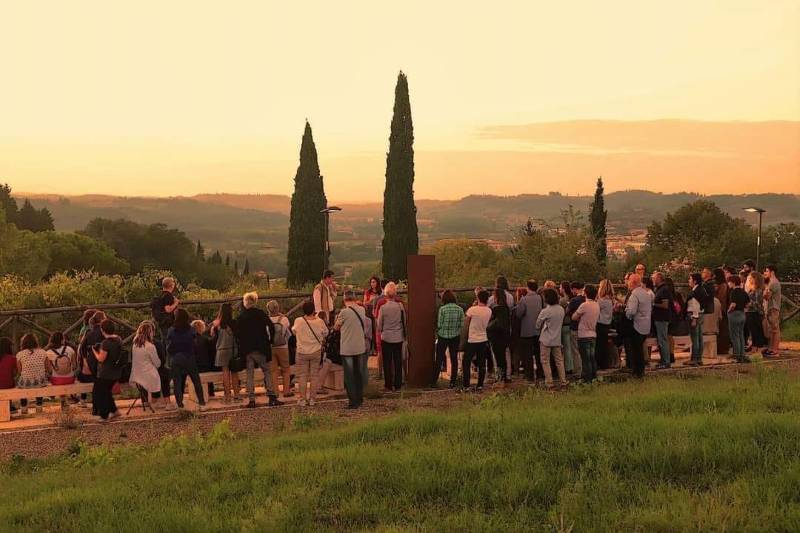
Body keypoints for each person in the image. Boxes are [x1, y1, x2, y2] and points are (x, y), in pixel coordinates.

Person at [237, 292, 281, 408]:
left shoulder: (241, 317)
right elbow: (271, 326)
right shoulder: (261, 314)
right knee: (267, 371)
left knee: (249, 374)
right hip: (261, 347)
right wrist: (270, 340)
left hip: (247, 349)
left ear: (245, 303)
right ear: (255, 301)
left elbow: (238, 334)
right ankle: (272, 397)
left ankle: (251, 400)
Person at [167, 309, 208, 411]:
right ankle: (202, 403)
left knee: (177, 383)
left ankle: (180, 405)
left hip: (175, 358)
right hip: (189, 357)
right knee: (196, 380)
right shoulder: (191, 330)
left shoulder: (171, 330)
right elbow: (194, 342)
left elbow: (169, 341)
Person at [334, 290, 369, 409]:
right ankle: (360, 398)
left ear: (344, 300)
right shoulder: (362, 310)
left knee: (349, 375)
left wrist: (336, 318)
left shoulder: (343, 312)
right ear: (354, 299)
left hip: (347, 347)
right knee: (358, 372)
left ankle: (352, 401)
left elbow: (336, 327)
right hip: (359, 346)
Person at [293, 300, 329, 406]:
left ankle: (303, 399)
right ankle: (313, 399)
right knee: (314, 375)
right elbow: (326, 333)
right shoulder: (319, 321)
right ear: (314, 310)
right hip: (316, 351)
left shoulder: (298, 321)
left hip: (302, 351)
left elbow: (294, 331)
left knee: (302, 376)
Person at [130, 321, 168, 409]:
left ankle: (146, 400)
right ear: (150, 332)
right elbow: (158, 364)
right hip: (148, 375)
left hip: (136, 374)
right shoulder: (150, 346)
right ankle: (155, 402)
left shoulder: (134, 345)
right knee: (162, 375)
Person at [90, 320, 124, 421]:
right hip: (116, 371)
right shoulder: (118, 339)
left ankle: (104, 416)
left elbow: (101, 359)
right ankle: (114, 410)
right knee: (107, 393)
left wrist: (95, 351)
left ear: (103, 330)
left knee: (102, 394)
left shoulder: (105, 343)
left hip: (105, 373)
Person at [536, 288, 567, 391]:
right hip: (557, 338)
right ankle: (563, 382)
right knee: (559, 360)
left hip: (546, 339)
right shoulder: (561, 309)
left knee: (545, 361)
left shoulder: (545, 311)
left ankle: (550, 383)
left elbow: (537, 325)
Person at [377, 282, 406, 392]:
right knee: (398, 361)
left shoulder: (383, 308)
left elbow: (379, 326)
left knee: (387, 362)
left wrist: (383, 331)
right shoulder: (400, 307)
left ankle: (388, 385)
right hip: (398, 337)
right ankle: (398, 385)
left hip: (386, 337)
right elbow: (404, 321)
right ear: (395, 294)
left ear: (385, 294)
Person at [461, 289, 492, 392]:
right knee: (482, 363)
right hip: (483, 338)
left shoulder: (472, 310)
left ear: (478, 298)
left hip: (472, 339)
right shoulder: (489, 311)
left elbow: (466, 323)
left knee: (466, 362)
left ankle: (466, 385)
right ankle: (480, 385)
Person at [433, 290, 465, 388]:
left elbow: (439, 324)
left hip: (443, 336)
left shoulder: (442, 309)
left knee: (439, 358)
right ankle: (453, 381)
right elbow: (462, 324)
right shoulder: (459, 309)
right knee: (454, 358)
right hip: (455, 336)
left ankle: (433, 380)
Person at [211, 303, 242, 403]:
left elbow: (214, 337)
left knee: (225, 373)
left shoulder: (218, 324)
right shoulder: (235, 323)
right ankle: (237, 395)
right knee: (234, 373)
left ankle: (227, 396)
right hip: (233, 349)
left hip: (221, 349)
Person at [514, 280, 544, 382]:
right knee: (538, 353)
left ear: (528, 288)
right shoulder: (540, 298)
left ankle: (529, 375)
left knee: (528, 355)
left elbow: (518, 314)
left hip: (526, 331)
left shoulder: (524, 300)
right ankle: (540, 373)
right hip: (538, 330)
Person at [624, 274, 651, 378]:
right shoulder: (646, 293)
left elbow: (631, 312)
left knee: (636, 350)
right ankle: (641, 370)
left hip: (636, 326)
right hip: (645, 325)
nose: (628, 283)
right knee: (640, 349)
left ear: (634, 283)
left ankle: (637, 372)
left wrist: (626, 311)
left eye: (629, 281)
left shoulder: (634, 295)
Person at [573, 284, 600, 382]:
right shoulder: (596, 305)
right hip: (593, 334)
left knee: (586, 359)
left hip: (584, 335)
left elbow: (574, 317)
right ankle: (594, 377)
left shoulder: (584, 305)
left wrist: (580, 318)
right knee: (592, 358)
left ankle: (587, 379)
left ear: (586, 293)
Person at [15, 333, 48, 414]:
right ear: (35, 342)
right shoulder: (43, 352)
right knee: (39, 380)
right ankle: (39, 405)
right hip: (41, 382)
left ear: (23, 343)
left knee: (22, 382)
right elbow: (47, 369)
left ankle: (23, 407)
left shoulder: (19, 354)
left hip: (25, 383)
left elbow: (19, 372)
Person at [266, 300, 292, 401]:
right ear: (278, 308)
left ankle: (275, 392)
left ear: (268, 309)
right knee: (286, 369)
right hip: (283, 346)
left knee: (273, 371)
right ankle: (286, 391)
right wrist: (281, 314)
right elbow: (288, 329)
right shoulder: (284, 319)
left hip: (271, 347)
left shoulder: (266, 320)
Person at [46, 331, 76, 410]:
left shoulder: (48, 353)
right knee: (68, 375)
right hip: (70, 379)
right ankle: (65, 400)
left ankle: (63, 400)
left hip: (56, 380)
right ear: (62, 340)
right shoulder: (70, 349)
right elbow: (75, 366)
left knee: (55, 375)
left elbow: (49, 370)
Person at [488, 287, 512, 383]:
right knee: (504, 356)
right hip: (505, 335)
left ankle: (499, 376)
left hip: (496, 335)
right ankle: (506, 375)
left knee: (497, 357)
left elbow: (491, 321)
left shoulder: (495, 309)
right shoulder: (507, 309)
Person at [651, 272, 673, 369]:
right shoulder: (659, 290)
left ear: (659, 279)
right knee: (660, 340)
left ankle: (666, 361)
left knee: (662, 340)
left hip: (662, 319)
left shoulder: (664, 290)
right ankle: (663, 360)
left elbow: (665, 305)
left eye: (654, 278)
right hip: (658, 318)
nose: (653, 280)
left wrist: (654, 304)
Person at [726, 275, 750, 363]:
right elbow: (748, 304)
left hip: (734, 314)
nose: (728, 284)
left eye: (729, 282)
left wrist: (728, 312)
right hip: (742, 314)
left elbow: (733, 305)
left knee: (734, 335)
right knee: (741, 335)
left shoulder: (733, 292)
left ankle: (736, 354)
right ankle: (742, 353)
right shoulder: (744, 292)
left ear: (733, 283)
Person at [192, 320, 216, 399]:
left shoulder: (189, 340)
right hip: (205, 366)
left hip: (193, 367)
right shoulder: (205, 340)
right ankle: (211, 391)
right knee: (209, 366)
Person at [686, 273, 705, 366]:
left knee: (694, 338)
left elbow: (695, 305)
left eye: (690, 279)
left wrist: (694, 318)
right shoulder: (702, 290)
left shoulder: (696, 291)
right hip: (701, 314)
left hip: (695, 315)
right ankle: (699, 358)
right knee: (700, 338)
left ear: (695, 281)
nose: (689, 281)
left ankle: (694, 359)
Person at [762, 264, 782, 357]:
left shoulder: (774, 283)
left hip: (773, 308)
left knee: (775, 329)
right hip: (769, 308)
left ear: (772, 272)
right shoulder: (770, 283)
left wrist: (765, 292)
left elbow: (767, 296)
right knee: (771, 330)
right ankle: (770, 348)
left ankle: (775, 350)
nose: (765, 273)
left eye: (766, 271)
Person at [744, 271, 767, 350]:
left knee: (757, 331)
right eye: (749, 278)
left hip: (755, 313)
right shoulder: (750, 290)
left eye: (751, 278)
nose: (750, 280)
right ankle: (753, 348)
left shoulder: (758, 290)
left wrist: (750, 303)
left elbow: (758, 303)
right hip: (749, 312)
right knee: (752, 332)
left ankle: (759, 349)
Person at [567, 282, 585, 378]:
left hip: (575, 327)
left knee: (575, 350)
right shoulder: (586, 299)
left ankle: (578, 371)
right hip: (585, 328)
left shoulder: (574, 300)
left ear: (574, 289)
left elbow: (567, 311)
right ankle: (585, 370)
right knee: (584, 350)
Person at [596, 280, 614, 370]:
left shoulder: (602, 301)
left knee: (599, 345)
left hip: (600, 324)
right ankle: (605, 363)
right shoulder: (610, 300)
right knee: (604, 345)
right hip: (607, 324)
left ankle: (600, 363)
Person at [713, 268, 730, 356]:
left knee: (722, 330)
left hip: (721, 310)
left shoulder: (723, 285)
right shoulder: (718, 284)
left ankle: (722, 348)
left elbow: (722, 298)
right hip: (718, 310)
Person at [363, 276, 382, 354]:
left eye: (374, 282)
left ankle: (376, 348)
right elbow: (364, 303)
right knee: (369, 329)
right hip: (369, 311)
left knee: (376, 329)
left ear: (377, 283)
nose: (372, 284)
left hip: (378, 311)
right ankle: (370, 348)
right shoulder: (368, 292)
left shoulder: (380, 292)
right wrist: (371, 300)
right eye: (371, 282)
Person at [558, 282, 574, 374]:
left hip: (564, 325)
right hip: (570, 325)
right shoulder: (572, 299)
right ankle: (570, 366)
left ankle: (565, 367)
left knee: (564, 347)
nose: (559, 289)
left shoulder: (562, 300)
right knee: (569, 347)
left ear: (563, 289)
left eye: (560, 287)